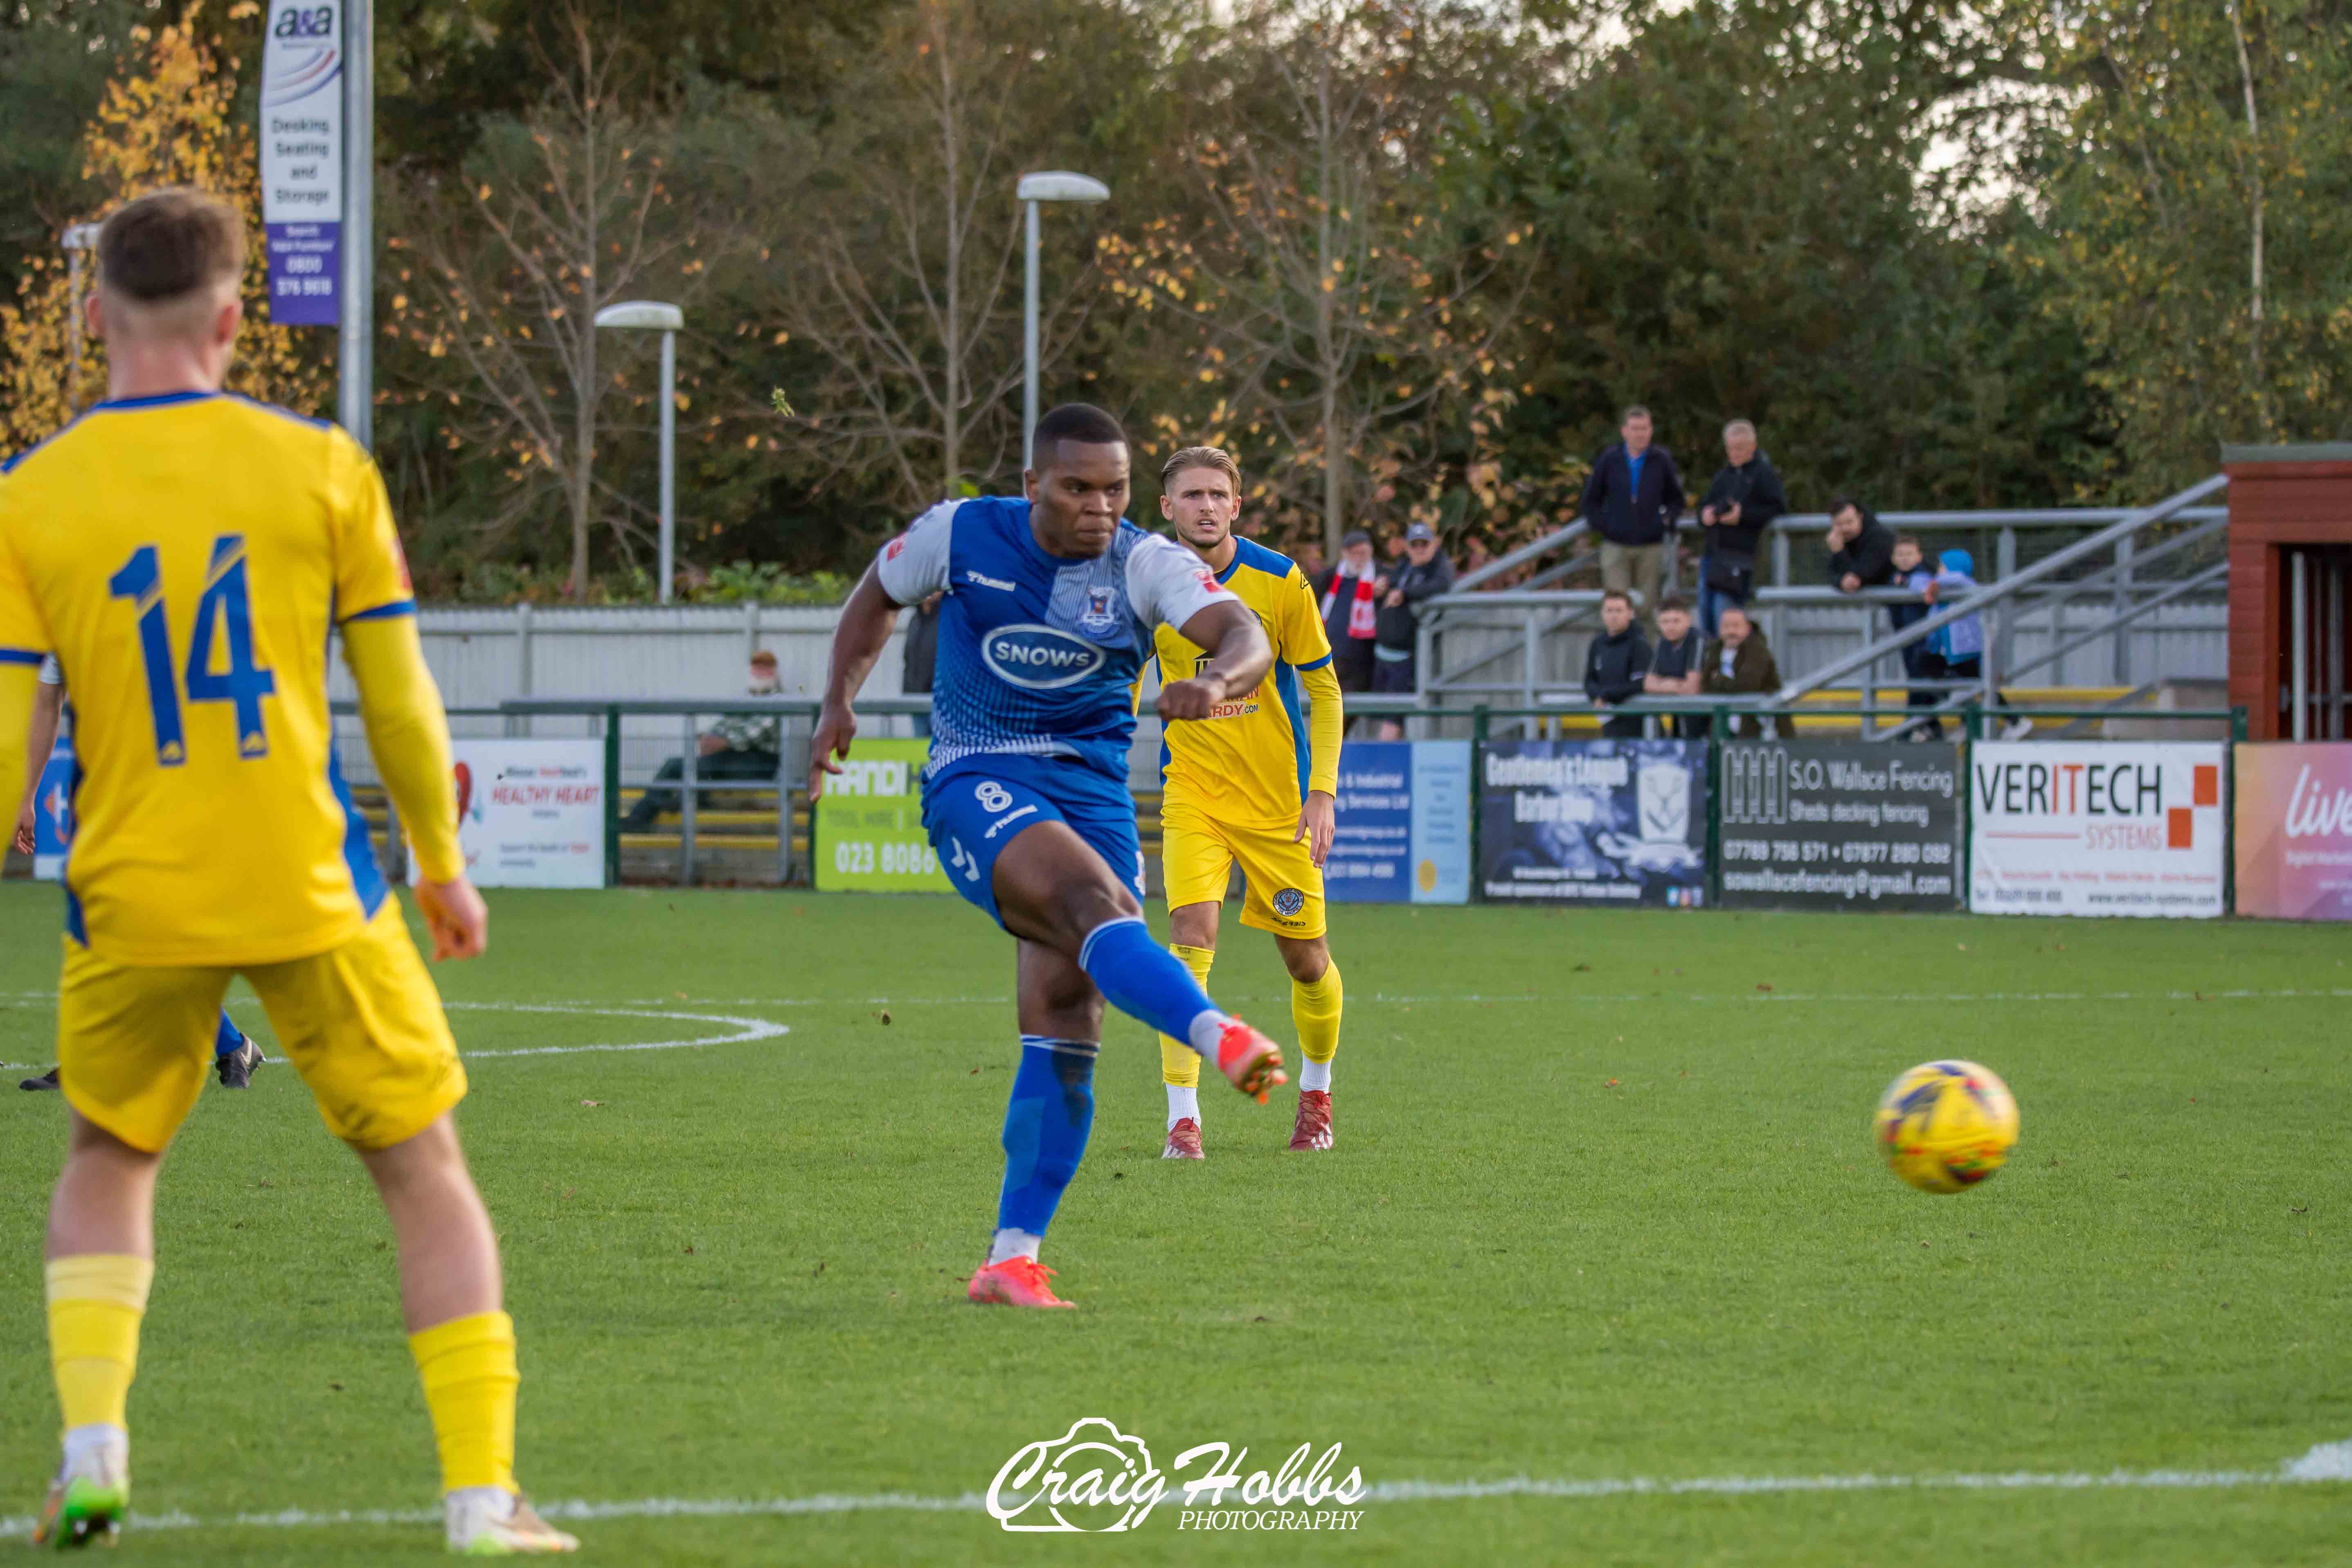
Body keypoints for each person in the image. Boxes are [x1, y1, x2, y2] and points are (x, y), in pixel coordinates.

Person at [0, 189, 573, 1552]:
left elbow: (13, 716)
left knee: (107, 1152)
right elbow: (399, 696)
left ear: (94, 316)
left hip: (132, 885)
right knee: (423, 1167)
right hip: (312, 882)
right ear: (232, 317)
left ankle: (93, 1453)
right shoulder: (317, 466)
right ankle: (482, 1498)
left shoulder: (29, 498)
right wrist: (444, 866)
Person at [811, 403, 1287, 1312]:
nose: (1098, 507)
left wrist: (1216, 681)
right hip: (975, 775)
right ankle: (1213, 1031)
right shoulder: (961, 533)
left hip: (1093, 795)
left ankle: (1010, 1260)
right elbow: (875, 596)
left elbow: (1245, 636)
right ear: (1032, 486)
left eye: (1113, 489)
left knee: (1068, 1017)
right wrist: (836, 700)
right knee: (1090, 908)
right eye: (1076, 488)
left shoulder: (1144, 561)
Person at [1152, 446, 1346, 1159]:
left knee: (1306, 960)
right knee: (1188, 944)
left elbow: (1323, 691)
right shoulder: (1147, 580)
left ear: (1237, 505)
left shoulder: (1278, 580)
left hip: (1275, 807)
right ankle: (1183, 1119)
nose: (1205, 505)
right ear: (1166, 506)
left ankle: (1316, 1094)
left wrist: (1320, 791)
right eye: (1191, 494)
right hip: (1193, 795)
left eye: (1217, 494)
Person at [15, 657, 267, 1092]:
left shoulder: (155, 599)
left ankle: (227, 1044)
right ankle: (228, 1045)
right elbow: (47, 703)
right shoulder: (61, 606)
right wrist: (29, 795)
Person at [617, 649, 784, 831]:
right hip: (732, 758)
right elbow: (724, 725)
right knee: (675, 764)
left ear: (773, 672)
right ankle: (641, 815)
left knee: (702, 766)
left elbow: (754, 734)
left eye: (765, 668)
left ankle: (676, 803)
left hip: (759, 764)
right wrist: (709, 738)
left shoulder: (779, 700)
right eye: (756, 668)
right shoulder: (748, 698)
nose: (759, 673)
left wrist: (722, 742)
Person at [1579, 404, 1685, 628]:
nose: (1641, 434)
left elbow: (1676, 500)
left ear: (1651, 430)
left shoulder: (1661, 460)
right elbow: (1590, 501)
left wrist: (1665, 522)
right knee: (1617, 608)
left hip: (1651, 547)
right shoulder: (1610, 459)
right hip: (1616, 546)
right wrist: (1608, 526)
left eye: (1645, 428)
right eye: (1636, 429)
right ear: (1624, 431)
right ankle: (1617, 660)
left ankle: (1647, 660)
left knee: (1647, 609)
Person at [1920, 548, 2031, 739]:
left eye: (1942, 567)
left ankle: (2015, 721)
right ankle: (1975, 723)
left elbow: (1958, 579)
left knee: (1980, 686)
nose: (1938, 571)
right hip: (1952, 650)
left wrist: (1935, 583)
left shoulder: (1963, 584)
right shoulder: (1943, 593)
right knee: (1965, 684)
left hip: (1967, 649)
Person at [1694, 420, 1786, 638]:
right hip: (1712, 557)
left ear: (1753, 446)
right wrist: (1705, 515)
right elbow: (1705, 504)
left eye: (1740, 448)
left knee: (1726, 621)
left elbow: (1778, 507)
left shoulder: (1763, 474)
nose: (1734, 454)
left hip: (1738, 560)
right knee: (1706, 619)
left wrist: (1742, 516)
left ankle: (1731, 670)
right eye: (1730, 448)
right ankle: (1712, 670)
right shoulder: (1723, 476)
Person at [1373, 522, 1453, 739]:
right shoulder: (1404, 567)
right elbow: (1392, 587)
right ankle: (1389, 765)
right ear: (1407, 548)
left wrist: (1405, 594)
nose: (1419, 549)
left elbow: (1440, 585)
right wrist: (1382, 587)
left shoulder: (1439, 568)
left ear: (1434, 545)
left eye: (1424, 544)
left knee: (1394, 717)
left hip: (1407, 656)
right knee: (1382, 713)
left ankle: (1379, 768)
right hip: (1384, 652)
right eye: (1414, 545)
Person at [1887, 535, 1943, 739]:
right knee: (1917, 680)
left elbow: (1925, 585)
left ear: (1919, 556)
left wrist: (1910, 583)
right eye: (1900, 554)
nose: (1904, 558)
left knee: (1920, 681)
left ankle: (1911, 728)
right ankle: (1930, 726)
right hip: (1906, 638)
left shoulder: (1922, 575)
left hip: (1924, 638)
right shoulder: (1893, 578)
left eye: (1909, 554)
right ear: (1893, 558)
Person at [1313, 529, 1382, 694]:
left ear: (1371, 552)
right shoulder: (1331, 577)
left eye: (1363, 553)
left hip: (1362, 658)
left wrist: (1381, 593)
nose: (1359, 559)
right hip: (1331, 655)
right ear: (1344, 553)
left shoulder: (1380, 577)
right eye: (1354, 554)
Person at [1700, 603, 1781, 738]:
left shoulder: (1758, 650)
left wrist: (1718, 679)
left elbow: (1747, 685)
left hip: (1759, 729)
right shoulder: (1714, 650)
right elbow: (1705, 686)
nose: (1731, 631)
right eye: (1726, 626)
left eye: (1736, 626)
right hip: (1722, 727)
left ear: (1748, 628)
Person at [1582, 589, 1651, 739]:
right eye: (1609, 611)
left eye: (1619, 611)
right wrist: (1597, 695)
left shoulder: (1640, 644)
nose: (1614, 616)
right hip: (1608, 723)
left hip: (1638, 727)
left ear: (1631, 613)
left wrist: (1607, 695)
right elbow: (1589, 680)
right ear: (1602, 614)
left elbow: (1640, 683)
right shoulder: (1598, 644)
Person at [1644, 594, 1705, 736]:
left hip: (1702, 718)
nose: (1670, 627)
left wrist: (1663, 684)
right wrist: (1675, 685)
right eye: (1665, 622)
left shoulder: (1697, 641)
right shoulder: (1663, 643)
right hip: (1677, 713)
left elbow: (1692, 688)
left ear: (1688, 620)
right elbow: (1648, 684)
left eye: (1676, 621)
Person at [1826, 497, 1897, 596]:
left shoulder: (1880, 537)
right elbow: (1832, 574)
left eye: (1849, 522)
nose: (1845, 528)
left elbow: (1860, 577)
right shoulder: (1842, 540)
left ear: (1860, 516)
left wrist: (1839, 552)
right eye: (1839, 524)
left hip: (1897, 603)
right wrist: (1841, 582)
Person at [901, 592, 942, 738]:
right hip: (917, 702)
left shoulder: (948, 621)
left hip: (942, 705)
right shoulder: (914, 620)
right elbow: (908, 660)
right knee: (919, 754)